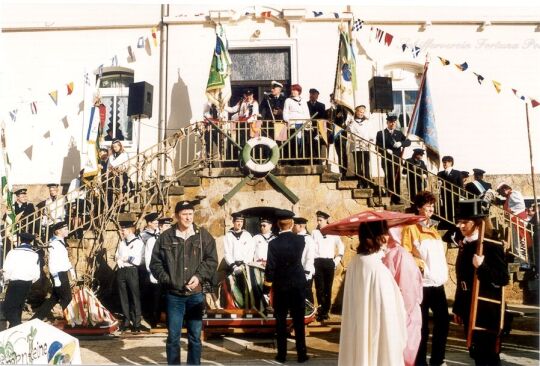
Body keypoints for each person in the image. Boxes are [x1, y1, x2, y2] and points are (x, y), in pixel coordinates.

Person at [150, 200, 218, 365]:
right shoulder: (166, 237)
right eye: (184, 214)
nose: (188, 218)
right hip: (174, 296)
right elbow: (155, 263)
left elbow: (212, 260)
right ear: (176, 216)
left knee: (195, 337)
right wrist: (169, 280)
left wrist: (199, 276)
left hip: (195, 296)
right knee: (173, 337)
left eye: (190, 214)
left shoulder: (203, 236)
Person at [338, 220, 407, 366]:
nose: (388, 237)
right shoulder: (377, 267)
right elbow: (388, 309)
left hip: (360, 325)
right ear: (377, 237)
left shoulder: (355, 262)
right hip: (379, 329)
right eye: (385, 234)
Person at [453, 200, 509, 366]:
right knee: (476, 353)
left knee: (488, 356)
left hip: (486, 309)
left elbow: (502, 278)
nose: (460, 226)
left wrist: (482, 266)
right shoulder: (466, 244)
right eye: (459, 221)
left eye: (465, 222)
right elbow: (461, 279)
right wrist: (458, 307)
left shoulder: (491, 245)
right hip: (468, 305)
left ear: (477, 223)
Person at [401, 191, 449, 366]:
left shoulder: (434, 228)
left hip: (437, 283)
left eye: (432, 205)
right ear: (418, 207)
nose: (431, 208)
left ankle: (438, 359)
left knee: (443, 322)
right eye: (427, 205)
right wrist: (420, 265)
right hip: (421, 284)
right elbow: (405, 253)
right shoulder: (410, 228)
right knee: (420, 326)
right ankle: (419, 361)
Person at [263, 209, 309, 363]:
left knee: (281, 321)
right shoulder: (301, 240)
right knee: (298, 321)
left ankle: (281, 355)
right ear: (292, 223)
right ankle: (302, 354)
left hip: (281, 285)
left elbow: (270, 268)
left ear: (277, 224)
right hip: (297, 283)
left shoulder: (273, 243)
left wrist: (266, 287)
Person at [383, 226, 423, 366]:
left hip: (397, 311)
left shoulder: (393, 253)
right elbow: (408, 288)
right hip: (399, 312)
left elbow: (407, 289)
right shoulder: (395, 253)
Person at [32, 221, 76, 321]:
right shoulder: (55, 244)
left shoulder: (60, 242)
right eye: (65, 229)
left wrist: (71, 270)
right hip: (58, 274)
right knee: (67, 298)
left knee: (54, 298)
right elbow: (52, 262)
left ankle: (36, 318)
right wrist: (55, 277)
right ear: (58, 231)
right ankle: (69, 321)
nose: (67, 230)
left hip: (62, 272)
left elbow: (64, 259)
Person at [2, 232, 40, 327]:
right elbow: (37, 274)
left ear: (21, 240)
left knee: (9, 308)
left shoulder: (13, 252)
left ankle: (18, 326)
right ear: (30, 242)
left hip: (15, 282)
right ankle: (14, 328)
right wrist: (30, 280)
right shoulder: (35, 255)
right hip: (27, 283)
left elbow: (7, 269)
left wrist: (6, 280)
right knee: (19, 306)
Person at [311, 210, 344, 321]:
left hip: (329, 262)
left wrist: (336, 261)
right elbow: (311, 249)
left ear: (326, 220)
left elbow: (341, 247)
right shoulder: (314, 233)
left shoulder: (333, 233)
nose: (319, 222)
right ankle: (321, 311)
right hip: (317, 262)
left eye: (321, 220)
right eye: (318, 220)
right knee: (319, 288)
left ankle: (326, 311)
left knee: (327, 289)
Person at [115, 219, 144, 332]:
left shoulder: (138, 243)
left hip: (132, 270)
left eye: (124, 230)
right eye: (122, 230)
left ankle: (136, 323)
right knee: (123, 296)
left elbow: (140, 260)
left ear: (131, 230)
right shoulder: (122, 243)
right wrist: (118, 260)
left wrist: (128, 258)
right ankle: (126, 321)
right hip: (122, 270)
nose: (122, 232)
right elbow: (117, 255)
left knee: (134, 296)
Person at [376, 115, 411, 204]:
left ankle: (397, 198)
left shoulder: (399, 133)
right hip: (387, 159)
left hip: (396, 160)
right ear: (387, 123)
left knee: (397, 178)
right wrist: (385, 151)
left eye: (394, 122)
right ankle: (389, 196)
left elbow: (408, 142)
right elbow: (377, 147)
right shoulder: (381, 133)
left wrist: (401, 143)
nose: (392, 124)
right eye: (391, 122)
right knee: (389, 178)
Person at [141, 212, 160, 327]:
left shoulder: (160, 234)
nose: (157, 224)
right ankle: (149, 316)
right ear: (149, 223)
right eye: (155, 222)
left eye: (158, 222)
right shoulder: (143, 236)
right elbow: (145, 254)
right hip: (146, 267)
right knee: (148, 294)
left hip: (158, 268)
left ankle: (157, 316)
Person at [283, 84, 311, 162]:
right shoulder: (288, 100)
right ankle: (293, 160)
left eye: (295, 90)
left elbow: (306, 112)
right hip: (293, 124)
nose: (293, 91)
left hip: (303, 124)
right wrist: (288, 121)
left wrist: (308, 122)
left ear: (299, 91)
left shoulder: (303, 101)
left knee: (303, 142)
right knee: (293, 142)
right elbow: (285, 113)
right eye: (292, 90)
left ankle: (303, 159)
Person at [347, 105, 372, 188]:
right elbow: (350, 133)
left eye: (362, 112)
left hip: (365, 146)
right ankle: (360, 182)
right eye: (360, 112)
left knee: (366, 166)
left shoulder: (367, 122)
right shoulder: (352, 122)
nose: (361, 113)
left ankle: (367, 182)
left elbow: (370, 134)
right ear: (356, 112)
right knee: (358, 166)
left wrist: (370, 140)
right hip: (356, 146)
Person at [293, 216, 316, 304]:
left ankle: (310, 315)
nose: (293, 227)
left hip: (304, 271)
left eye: (295, 225)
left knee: (307, 295)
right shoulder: (295, 238)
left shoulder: (308, 239)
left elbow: (309, 257)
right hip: (296, 271)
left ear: (301, 226)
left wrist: (306, 273)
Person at [326, 93, 349, 176]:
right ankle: (331, 169)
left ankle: (343, 172)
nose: (333, 100)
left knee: (342, 153)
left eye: (334, 98)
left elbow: (343, 119)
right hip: (331, 133)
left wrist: (334, 118)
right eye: (331, 99)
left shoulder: (342, 109)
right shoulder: (329, 110)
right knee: (335, 152)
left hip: (340, 132)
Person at [437, 156, 463, 224]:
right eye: (443, 162)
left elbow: (461, 187)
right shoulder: (440, 174)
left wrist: (461, 197)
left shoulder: (457, 173)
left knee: (454, 214)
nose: (444, 164)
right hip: (444, 197)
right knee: (446, 213)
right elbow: (438, 186)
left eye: (446, 162)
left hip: (454, 198)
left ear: (451, 163)